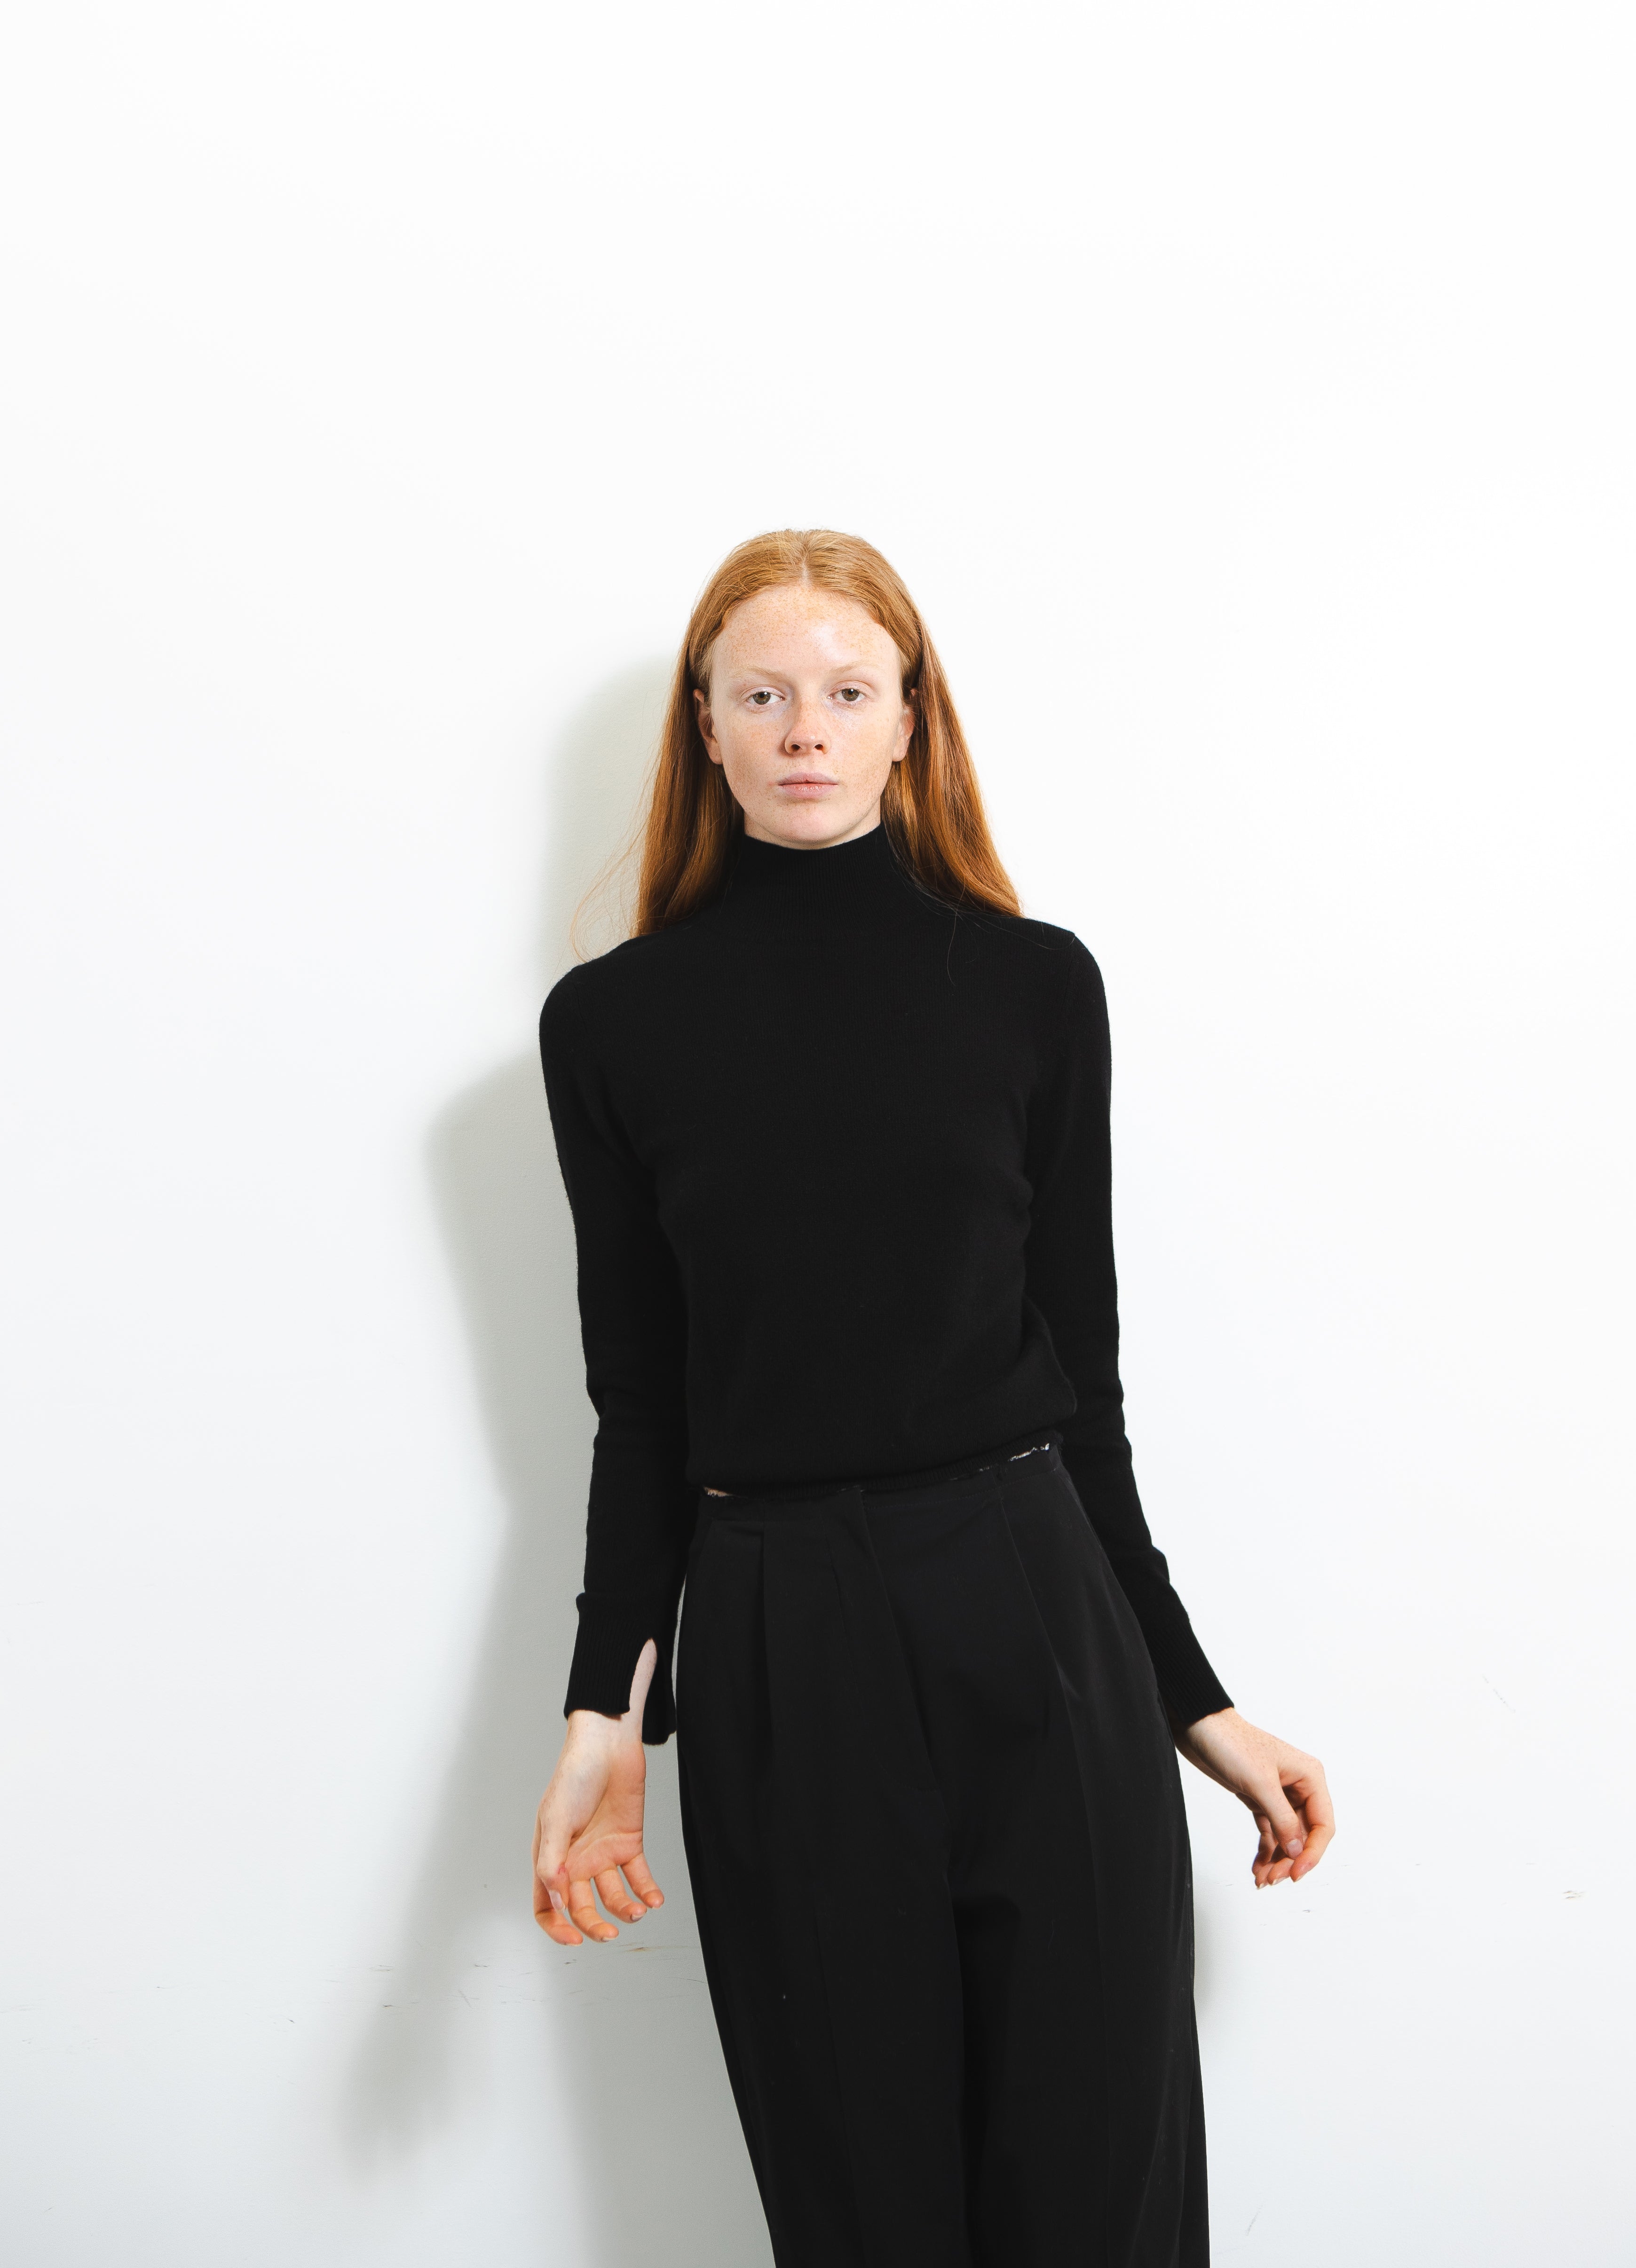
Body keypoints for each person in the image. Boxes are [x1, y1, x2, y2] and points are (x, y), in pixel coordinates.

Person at [531, 528, 1333, 2268]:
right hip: (780, 1636)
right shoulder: (610, 1027)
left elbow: (1084, 1392)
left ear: (911, 720)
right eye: (762, 695)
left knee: (1099, 2197)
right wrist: (604, 1715)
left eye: (847, 690)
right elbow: (642, 1406)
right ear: (706, 727)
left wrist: (1194, 1701)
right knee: (864, 2205)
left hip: (1035, 1610)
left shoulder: (1035, 988)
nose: (805, 728)